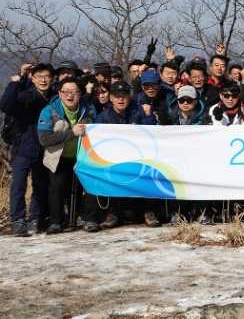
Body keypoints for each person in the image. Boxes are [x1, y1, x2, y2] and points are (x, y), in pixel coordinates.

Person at [37, 78, 100, 233]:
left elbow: (97, 134)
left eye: (75, 91)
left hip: (82, 157)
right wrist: (72, 133)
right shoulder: (49, 111)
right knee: (57, 188)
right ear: (59, 93)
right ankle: (56, 222)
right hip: (58, 157)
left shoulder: (90, 109)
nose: (70, 95)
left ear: (80, 93)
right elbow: (44, 139)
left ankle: (89, 219)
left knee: (90, 184)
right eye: (66, 91)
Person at [1, 63, 56, 237]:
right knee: (18, 185)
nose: (43, 80)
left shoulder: (55, 98)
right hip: (24, 148)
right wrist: (17, 81)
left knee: (41, 186)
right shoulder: (24, 96)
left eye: (47, 76)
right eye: (39, 76)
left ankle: (35, 218)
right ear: (33, 78)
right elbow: (4, 105)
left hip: (45, 149)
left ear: (52, 79)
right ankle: (18, 220)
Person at [96, 80, 160, 228]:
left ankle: (149, 212)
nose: (120, 99)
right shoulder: (103, 117)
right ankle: (112, 214)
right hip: (114, 159)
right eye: (117, 96)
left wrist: (148, 114)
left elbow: (151, 132)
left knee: (149, 174)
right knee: (110, 175)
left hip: (138, 158)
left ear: (129, 97)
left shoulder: (137, 112)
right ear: (111, 98)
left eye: (124, 96)